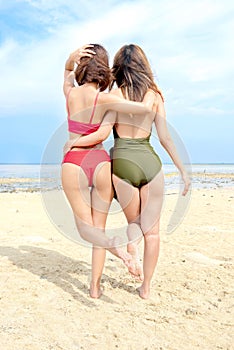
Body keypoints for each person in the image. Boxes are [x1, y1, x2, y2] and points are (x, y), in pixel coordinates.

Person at [69, 44, 190, 299]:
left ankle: (130, 248)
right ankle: (145, 288)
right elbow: (166, 137)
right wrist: (182, 170)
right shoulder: (154, 96)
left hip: (122, 164)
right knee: (153, 232)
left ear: (118, 68)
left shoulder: (115, 94)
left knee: (134, 223)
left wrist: (73, 143)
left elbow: (102, 133)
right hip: (150, 162)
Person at [61, 44, 152, 298]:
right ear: (103, 69)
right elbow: (143, 109)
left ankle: (119, 251)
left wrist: (70, 59)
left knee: (85, 229)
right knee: (97, 228)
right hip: (100, 162)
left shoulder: (70, 93)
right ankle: (94, 287)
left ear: (82, 67)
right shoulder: (106, 99)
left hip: (74, 162)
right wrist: (150, 93)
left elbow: (66, 72)